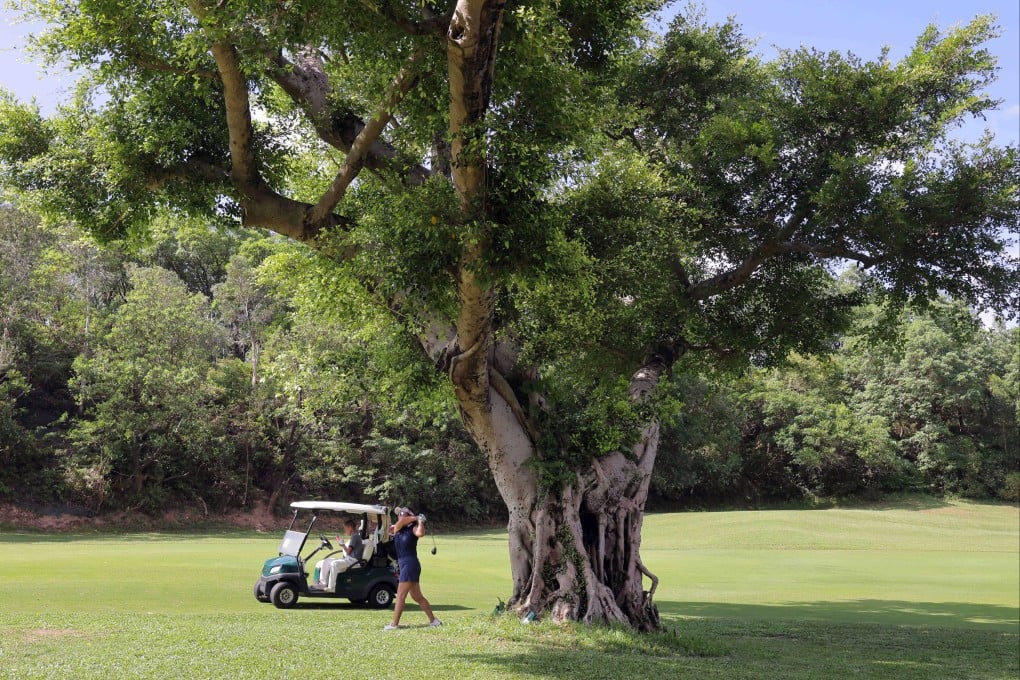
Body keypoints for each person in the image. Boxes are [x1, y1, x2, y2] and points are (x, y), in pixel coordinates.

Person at [385, 507, 441, 630]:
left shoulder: (413, 528)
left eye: (402, 514)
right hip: (405, 564)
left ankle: (394, 624)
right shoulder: (398, 528)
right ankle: (434, 621)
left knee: (400, 595)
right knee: (417, 597)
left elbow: (420, 533)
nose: (399, 517)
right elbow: (400, 523)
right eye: (399, 515)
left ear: (407, 516)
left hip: (410, 564)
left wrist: (420, 521)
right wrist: (417, 517)